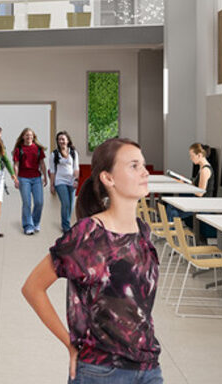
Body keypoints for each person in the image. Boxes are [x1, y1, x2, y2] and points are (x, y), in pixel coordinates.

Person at [21, 138, 162, 384]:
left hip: (149, 368)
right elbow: (33, 288)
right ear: (108, 178)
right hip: (101, 371)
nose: (145, 172)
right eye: (133, 165)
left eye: (143, 165)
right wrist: (70, 344)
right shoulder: (87, 234)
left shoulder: (143, 231)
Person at [12, 128, 49, 235]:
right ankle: (28, 225)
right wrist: (15, 178)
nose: (29, 137)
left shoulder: (38, 149)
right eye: (27, 135)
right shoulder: (19, 149)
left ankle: (35, 222)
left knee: (39, 202)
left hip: (36, 178)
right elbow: (16, 165)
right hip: (23, 178)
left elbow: (42, 163)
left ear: (33, 137)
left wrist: (45, 177)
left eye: (31, 135)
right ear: (23, 137)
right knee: (27, 202)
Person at [164, 143, 211, 223]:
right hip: (197, 200)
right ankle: (171, 230)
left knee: (172, 208)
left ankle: (172, 231)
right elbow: (196, 187)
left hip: (201, 203)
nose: (191, 158)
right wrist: (185, 182)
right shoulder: (202, 168)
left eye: (192, 156)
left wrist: (186, 184)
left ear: (199, 155)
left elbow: (200, 193)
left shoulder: (205, 170)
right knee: (171, 205)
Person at [48, 131, 80, 234]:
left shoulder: (73, 153)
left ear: (68, 140)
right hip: (60, 181)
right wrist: (52, 185)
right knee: (65, 203)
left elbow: (76, 168)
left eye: (63, 139)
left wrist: (76, 180)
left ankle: (67, 222)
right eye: (59, 139)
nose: (61, 141)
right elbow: (52, 170)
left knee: (71, 204)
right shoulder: (54, 154)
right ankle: (65, 226)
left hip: (71, 181)